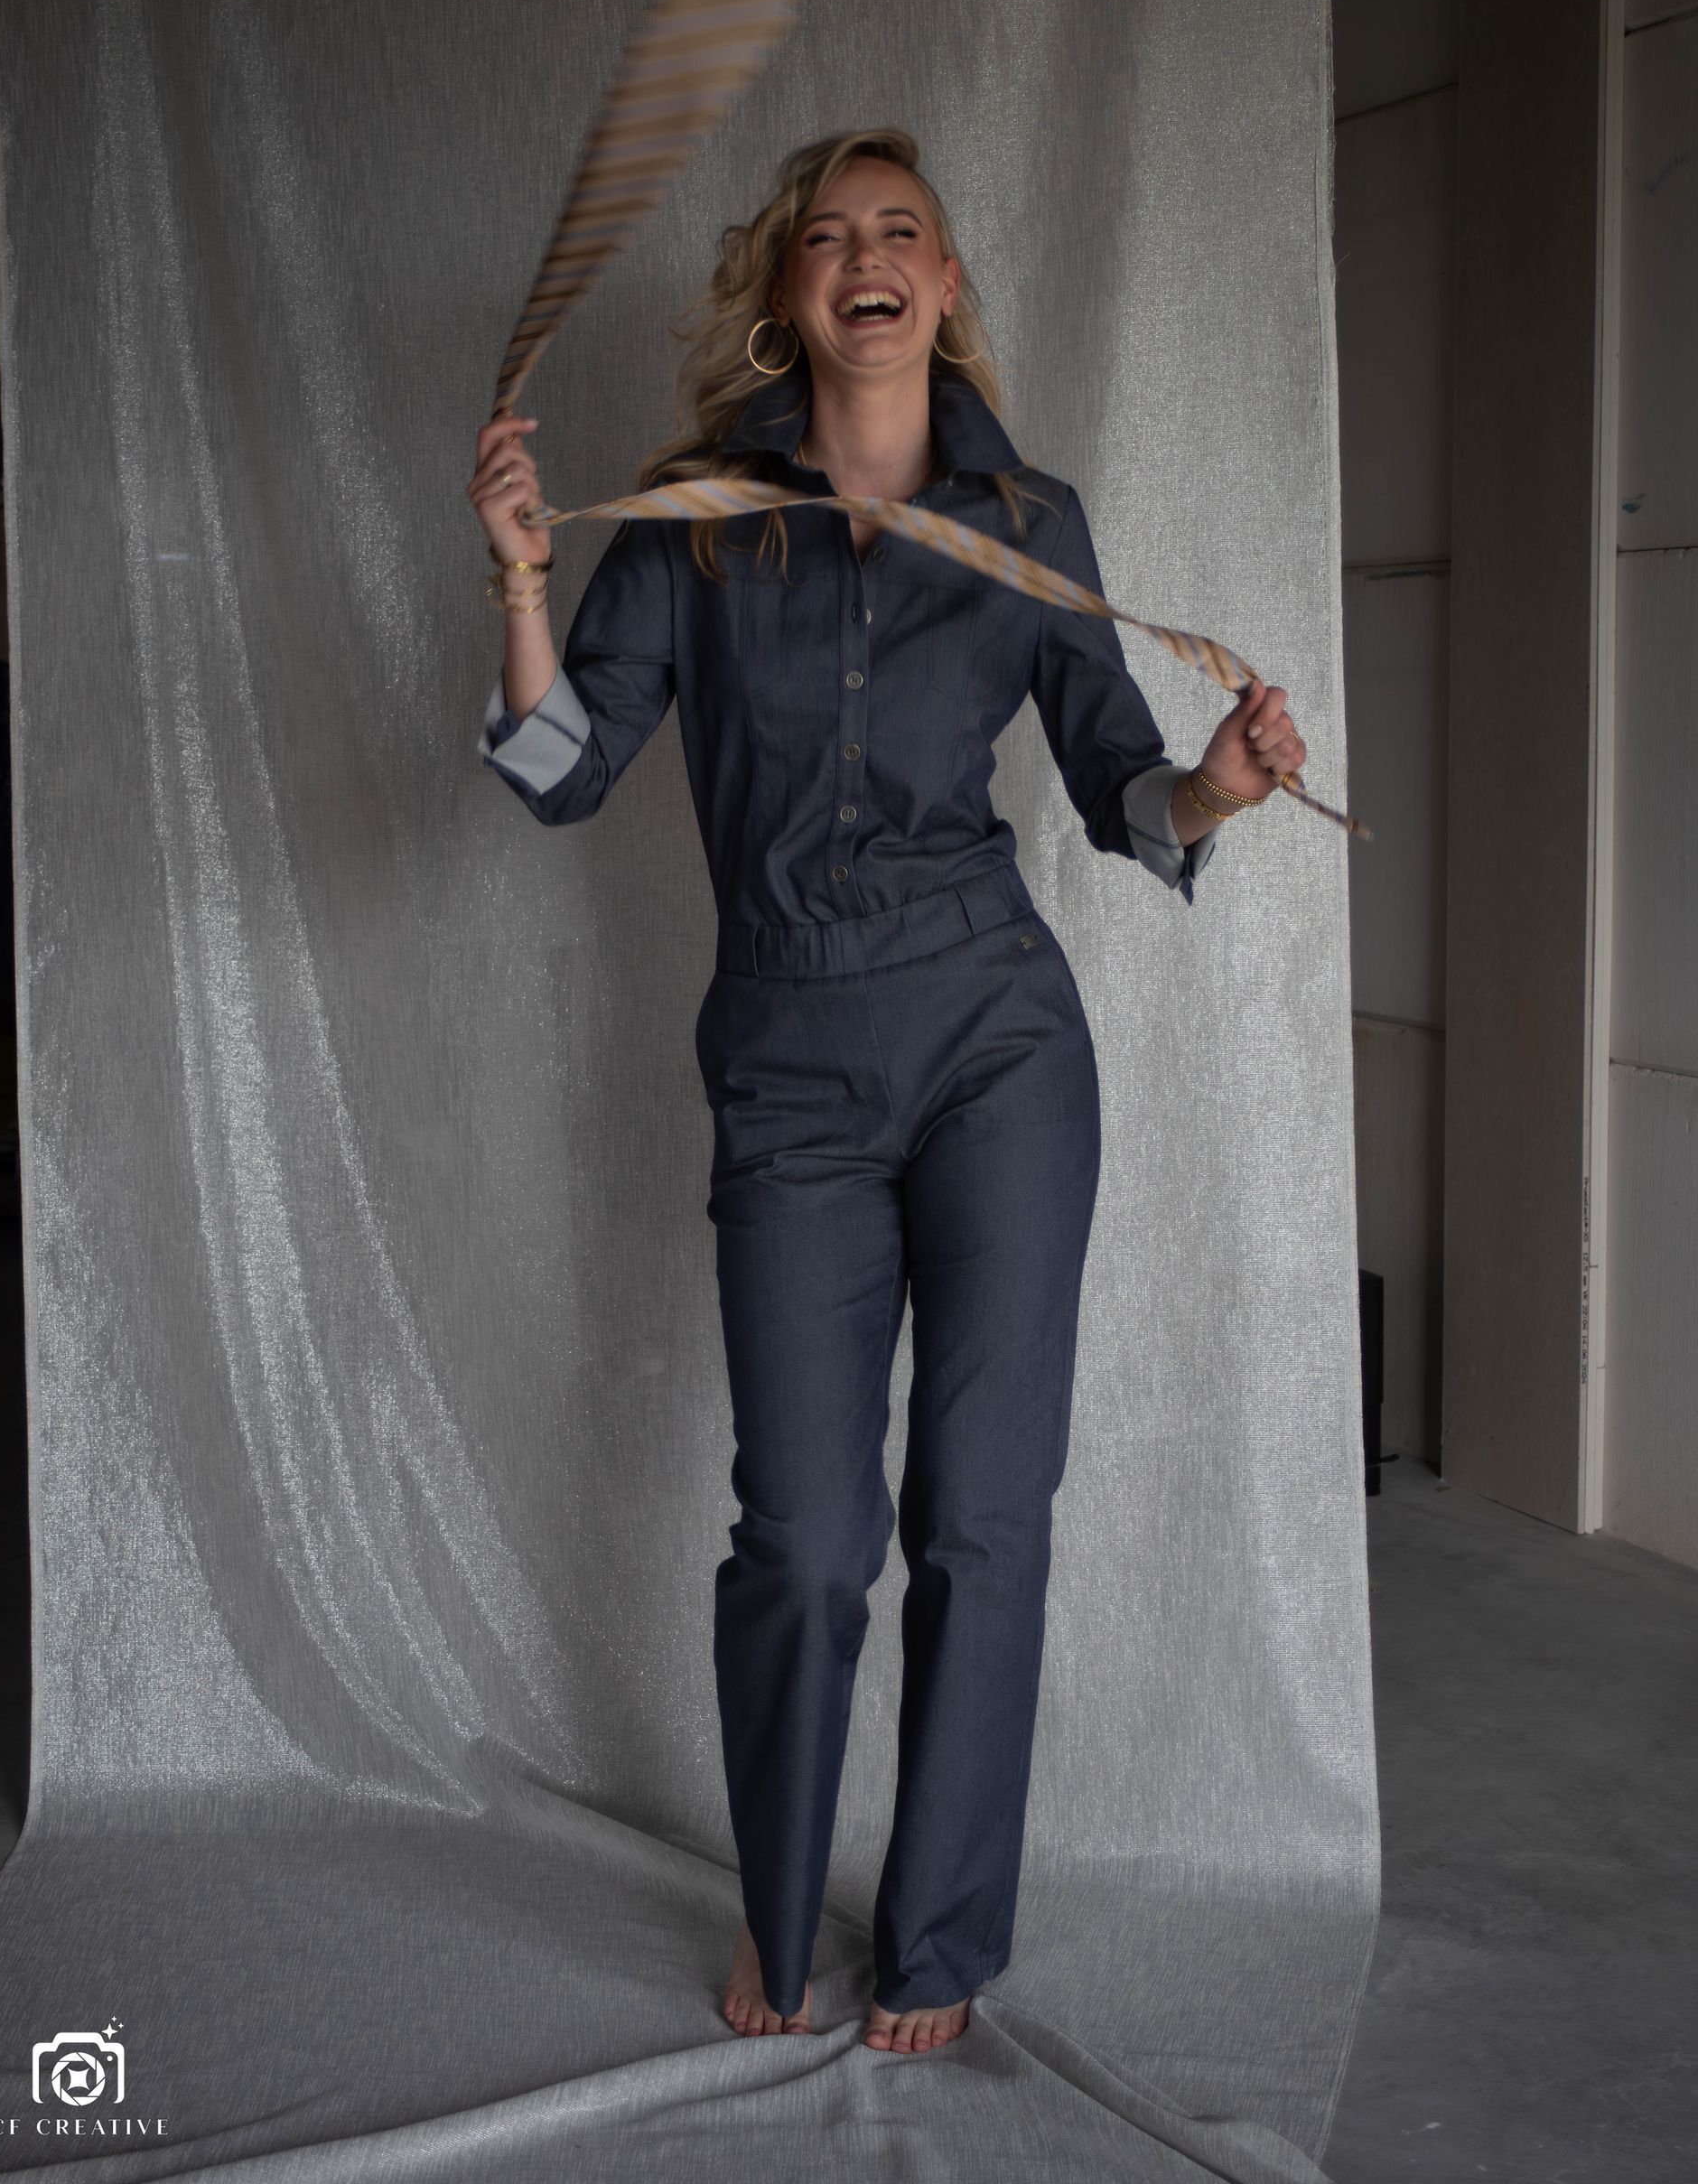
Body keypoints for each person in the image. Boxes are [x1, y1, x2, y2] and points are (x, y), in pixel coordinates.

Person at [466, 128, 1307, 2058]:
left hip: (998, 1042)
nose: (867, 256)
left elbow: (1122, 793)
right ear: (789, 292)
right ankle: (777, 1913)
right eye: (830, 236)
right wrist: (521, 582)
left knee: (983, 1515)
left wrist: (1219, 788)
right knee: (808, 1538)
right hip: (787, 1060)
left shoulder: (1031, 518)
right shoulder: (692, 520)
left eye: (900, 232)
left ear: (943, 284)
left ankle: (939, 1941)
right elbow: (563, 772)